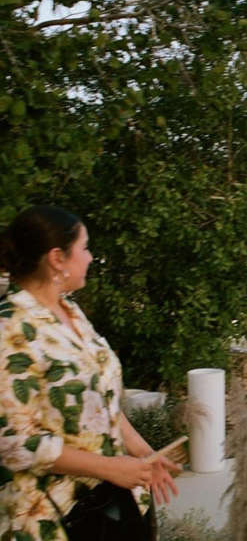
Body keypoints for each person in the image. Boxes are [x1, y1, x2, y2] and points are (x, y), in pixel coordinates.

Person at [0, 206, 180, 541]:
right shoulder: (10, 328)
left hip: (113, 501)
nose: (90, 257)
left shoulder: (69, 310)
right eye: (84, 248)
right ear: (57, 258)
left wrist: (142, 452)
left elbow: (102, 394)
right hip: (56, 516)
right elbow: (15, 442)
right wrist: (112, 467)